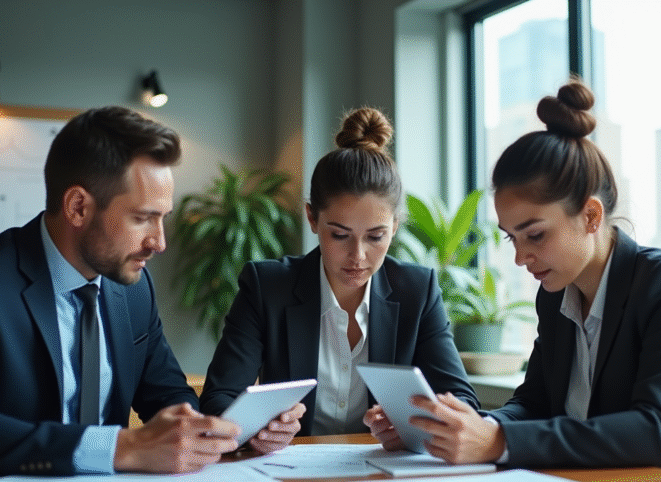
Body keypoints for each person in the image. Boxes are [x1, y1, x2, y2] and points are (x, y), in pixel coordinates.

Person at [407, 78, 661, 480]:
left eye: (534, 235)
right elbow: (534, 402)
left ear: (590, 215)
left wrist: (500, 443)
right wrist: (460, 427)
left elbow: (656, 431)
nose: (520, 257)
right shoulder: (555, 296)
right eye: (511, 238)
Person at [0, 106, 240, 475]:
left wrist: (226, 434)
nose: (160, 242)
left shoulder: (134, 289)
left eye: (161, 218)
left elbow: (169, 397)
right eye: (142, 217)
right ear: (78, 207)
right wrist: (122, 446)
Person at [199, 107, 480, 453]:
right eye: (340, 235)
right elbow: (218, 400)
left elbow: (463, 401)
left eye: (375, 236)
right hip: (289, 470)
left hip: (384, 470)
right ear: (312, 219)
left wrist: (416, 426)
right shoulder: (267, 287)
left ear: (394, 226)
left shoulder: (417, 292)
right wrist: (256, 430)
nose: (358, 256)